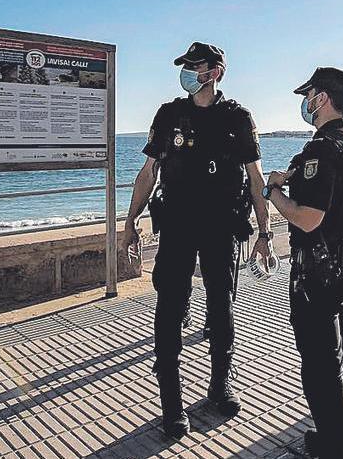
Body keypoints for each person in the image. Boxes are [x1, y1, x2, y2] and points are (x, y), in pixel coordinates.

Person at [124, 42, 273, 438]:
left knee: (222, 305)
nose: (188, 71)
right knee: (170, 307)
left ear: (216, 72)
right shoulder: (170, 113)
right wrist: (129, 221)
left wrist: (265, 232)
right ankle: (171, 404)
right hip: (177, 227)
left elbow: (256, 180)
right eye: (185, 66)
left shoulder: (237, 117)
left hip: (222, 227)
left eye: (196, 65)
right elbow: (148, 172)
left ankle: (220, 385)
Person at [263, 67, 343, 459]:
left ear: (321, 98)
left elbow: (308, 216)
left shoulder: (323, 149)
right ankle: (338, 432)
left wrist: (273, 191)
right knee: (340, 349)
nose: (305, 102)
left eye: (308, 94)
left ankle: (334, 446)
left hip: (318, 272)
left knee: (319, 362)